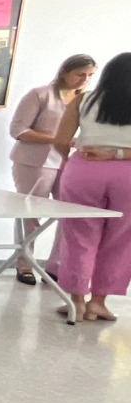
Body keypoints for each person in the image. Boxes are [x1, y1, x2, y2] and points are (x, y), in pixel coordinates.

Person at [51, 52, 131, 322]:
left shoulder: (83, 100)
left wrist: (71, 161)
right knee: (122, 238)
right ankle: (98, 302)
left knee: (78, 235)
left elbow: (61, 140)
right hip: (129, 176)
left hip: (85, 169)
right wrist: (117, 155)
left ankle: (76, 301)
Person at [8, 54, 95, 284]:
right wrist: (56, 139)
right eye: (80, 74)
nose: (85, 79)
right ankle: (24, 264)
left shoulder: (86, 101)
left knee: (68, 214)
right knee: (30, 214)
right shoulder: (40, 94)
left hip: (70, 163)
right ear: (65, 71)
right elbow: (18, 130)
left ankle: (56, 267)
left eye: (90, 75)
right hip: (34, 162)